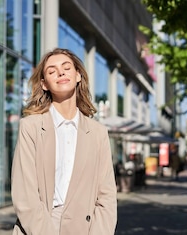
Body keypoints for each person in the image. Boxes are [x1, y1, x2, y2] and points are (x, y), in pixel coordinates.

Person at [11, 48, 117, 235]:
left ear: (78, 75)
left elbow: (106, 196)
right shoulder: (31, 127)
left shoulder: (98, 133)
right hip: (39, 226)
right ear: (44, 84)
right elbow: (25, 195)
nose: (60, 72)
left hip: (85, 228)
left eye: (66, 68)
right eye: (52, 71)